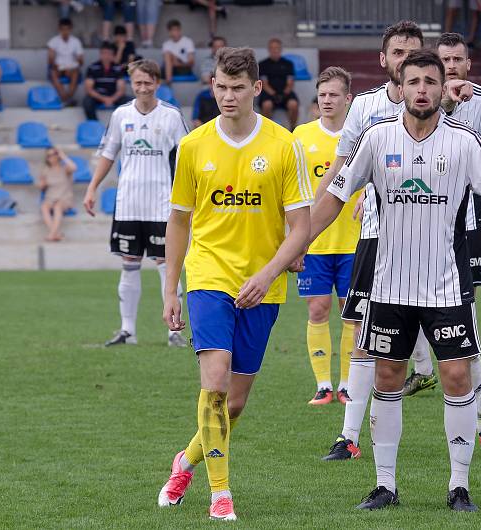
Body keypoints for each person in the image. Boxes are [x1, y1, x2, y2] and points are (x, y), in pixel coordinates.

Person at [310, 48, 481, 512]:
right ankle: (385, 485)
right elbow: (335, 197)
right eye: (414, 82)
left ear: (442, 87)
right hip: (389, 284)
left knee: (456, 375)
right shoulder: (375, 137)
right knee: (387, 375)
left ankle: (458, 486)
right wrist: (300, 238)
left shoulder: (465, 141)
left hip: (445, 283)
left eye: (431, 81)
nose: (422, 89)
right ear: (400, 88)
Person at [157, 47, 313, 522]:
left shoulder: (285, 145)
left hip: (262, 284)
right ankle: (219, 494)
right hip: (207, 275)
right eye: (220, 87)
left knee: (235, 401)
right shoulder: (193, 146)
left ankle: (185, 460)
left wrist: (267, 275)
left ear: (257, 89)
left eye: (237, 88)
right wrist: (170, 287)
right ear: (212, 85)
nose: (228, 96)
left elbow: (301, 227)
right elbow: (179, 222)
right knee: (216, 378)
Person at [313, 20, 473, 462]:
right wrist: (306, 222)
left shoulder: (445, 101)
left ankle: (480, 430)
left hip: (435, 239)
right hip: (376, 236)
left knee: (460, 345)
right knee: (367, 339)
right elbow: (342, 169)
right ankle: (349, 437)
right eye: (399, 54)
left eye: (415, 53)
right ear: (385, 61)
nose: (406, 61)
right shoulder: (364, 107)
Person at [406, 31, 481, 459]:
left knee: (465, 329)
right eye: (445, 60)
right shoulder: (413, 106)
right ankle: (356, 436)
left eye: (458, 59)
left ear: (468, 65)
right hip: (406, 231)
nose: (453, 66)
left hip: (465, 229)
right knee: (376, 342)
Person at [82, 59, 190, 348]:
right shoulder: (120, 115)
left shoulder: (170, 116)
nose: (143, 88)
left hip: (162, 202)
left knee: (166, 264)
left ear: (157, 83)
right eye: (137, 83)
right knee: (129, 263)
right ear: (132, 84)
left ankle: (173, 331)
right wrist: (92, 187)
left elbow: (189, 156)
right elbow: (108, 154)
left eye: (148, 82)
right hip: (128, 201)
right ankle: (127, 331)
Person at [292, 67, 357, 406]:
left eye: (334, 95)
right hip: (314, 242)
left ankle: (346, 384)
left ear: (348, 99)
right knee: (318, 308)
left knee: (352, 313)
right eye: (323, 95)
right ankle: (323, 385)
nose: (327, 100)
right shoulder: (300, 136)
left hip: (354, 241)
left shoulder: (363, 134)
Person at [258, 38, 299, 131]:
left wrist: (284, 94)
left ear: (281, 49)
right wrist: (274, 94)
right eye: (272, 48)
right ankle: (266, 129)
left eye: (277, 48)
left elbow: (290, 82)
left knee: (293, 104)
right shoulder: (262, 64)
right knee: (267, 105)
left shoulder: (288, 64)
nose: (274, 50)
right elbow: (264, 83)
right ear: (269, 49)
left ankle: (293, 128)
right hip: (269, 93)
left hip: (285, 93)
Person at [83, 42, 130, 121]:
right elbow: (89, 89)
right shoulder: (92, 68)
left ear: (113, 55)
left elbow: (121, 89)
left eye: (109, 54)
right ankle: (95, 125)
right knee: (87, 102)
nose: (106, 56)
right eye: (104, 53)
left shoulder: (117, 68)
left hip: (114, 96)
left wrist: (112, 99)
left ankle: (124, 125)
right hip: (98, 96)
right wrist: (104, 99)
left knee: (131, 102)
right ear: (100, 54)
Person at [38, 147, 77, 242]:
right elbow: (41, 186)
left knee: (57, 206)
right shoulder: (45, 171)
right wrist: (42, 184)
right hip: (50, 198)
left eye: (53, 154)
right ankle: (56, 234)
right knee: (44, 207)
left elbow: (74, 167)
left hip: (64, 198)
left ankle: (52, 234)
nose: (51, 157)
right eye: (48, 156)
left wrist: (63, 155)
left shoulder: (65, 169)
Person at [48, 18, 84, 106]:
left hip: (72, 68)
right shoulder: (53, 41)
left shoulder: (76, 42)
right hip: (58, 67)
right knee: (53, 73)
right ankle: (66, 98)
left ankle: (67, 98)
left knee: (76, 73)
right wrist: (58, 66)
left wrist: (73, 65)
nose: (65, 32)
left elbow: (81, 61)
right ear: (59, 29)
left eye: (67, 29)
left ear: (71, 29)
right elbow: (50, 60)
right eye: (63, 29)